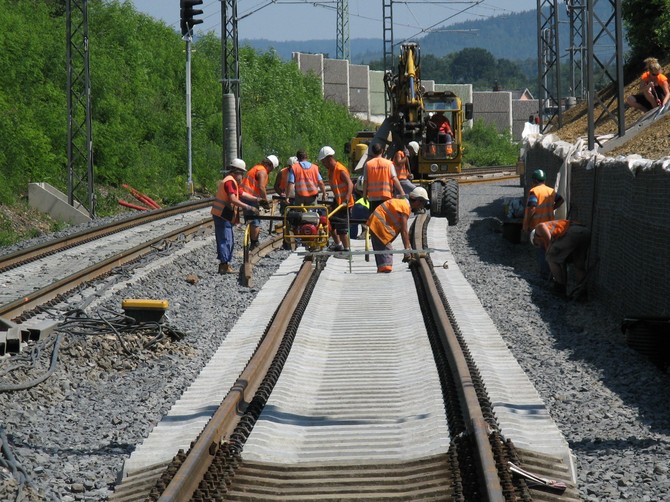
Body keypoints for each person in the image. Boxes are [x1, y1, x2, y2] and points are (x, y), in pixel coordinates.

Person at [211, 159, 258, 274]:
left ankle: (225, 264)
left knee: (228, 240)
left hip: (225, 215)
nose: (242, 176)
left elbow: (241, 193)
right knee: (225, 240)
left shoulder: (232, 182)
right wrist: (249, 207)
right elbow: (233, 199)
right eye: (242, 173)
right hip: (222, 215)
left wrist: (257, 199)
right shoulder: (229, 182)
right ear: (237, 172)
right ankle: (223, 265)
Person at [366, 186, 429, 273]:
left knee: (383, 259)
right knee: (386, 263)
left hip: (377, 225)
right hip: (379, 227)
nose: (422, 207)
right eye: (423, 203)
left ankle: (382, 272)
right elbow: (404, 231)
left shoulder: (402, 204)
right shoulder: (405, 207)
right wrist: (407, 250)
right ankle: (384, 275)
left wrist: (408, 249)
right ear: (418, 201)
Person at [530, 220, 591, 298]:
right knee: (578, 265)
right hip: (584, 232)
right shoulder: (555, 234)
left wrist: (549, 250)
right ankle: (582, 293)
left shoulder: (538, 228)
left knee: (550, 257)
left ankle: (559, 288)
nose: (540, 246)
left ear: (535, 238)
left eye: (537, 244)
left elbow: (544, 230)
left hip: (573, 231)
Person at [522, 169, 564, 279]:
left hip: (538, 225)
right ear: (544, 180)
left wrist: (526, 224)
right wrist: (552, 208)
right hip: (550, 225)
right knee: (549, 247)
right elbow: (561, 200)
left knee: (541, 249)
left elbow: (532, 207)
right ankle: (552, 273)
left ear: (534, 180)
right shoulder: (551, 191)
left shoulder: (534, 191)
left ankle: (545, 273)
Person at [318, 146, 354, 253]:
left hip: (344, 203)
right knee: (330, 223)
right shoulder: (331, 170)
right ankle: (338, 245)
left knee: (342, 228)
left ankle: (347, 249)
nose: (323, 164)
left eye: (324, 162)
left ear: (329, 158)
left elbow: (350, 184)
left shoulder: (340, 169)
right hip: (337, 201)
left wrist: (346, 198)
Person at [240, 154, 278, 250]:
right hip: (250, 198)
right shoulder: (262, 171)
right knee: (255, 220)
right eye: (272, 168)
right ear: (270, 165)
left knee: (249, 219)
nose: (271, 171)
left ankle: (250, 240)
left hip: (244, 196)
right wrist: (265, 201)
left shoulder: (256, 167)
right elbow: (261, 187)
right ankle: (254, 243)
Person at [362, 142, 404, 212]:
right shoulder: (389, 164)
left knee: (375, 218)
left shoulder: (368, 164)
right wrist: (402, 192)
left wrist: (364, 195)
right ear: (382, 151)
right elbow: (394, 179)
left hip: (373, 197)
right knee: (385, 217)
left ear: (372, 152)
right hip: (386, 196)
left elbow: (365, 181)